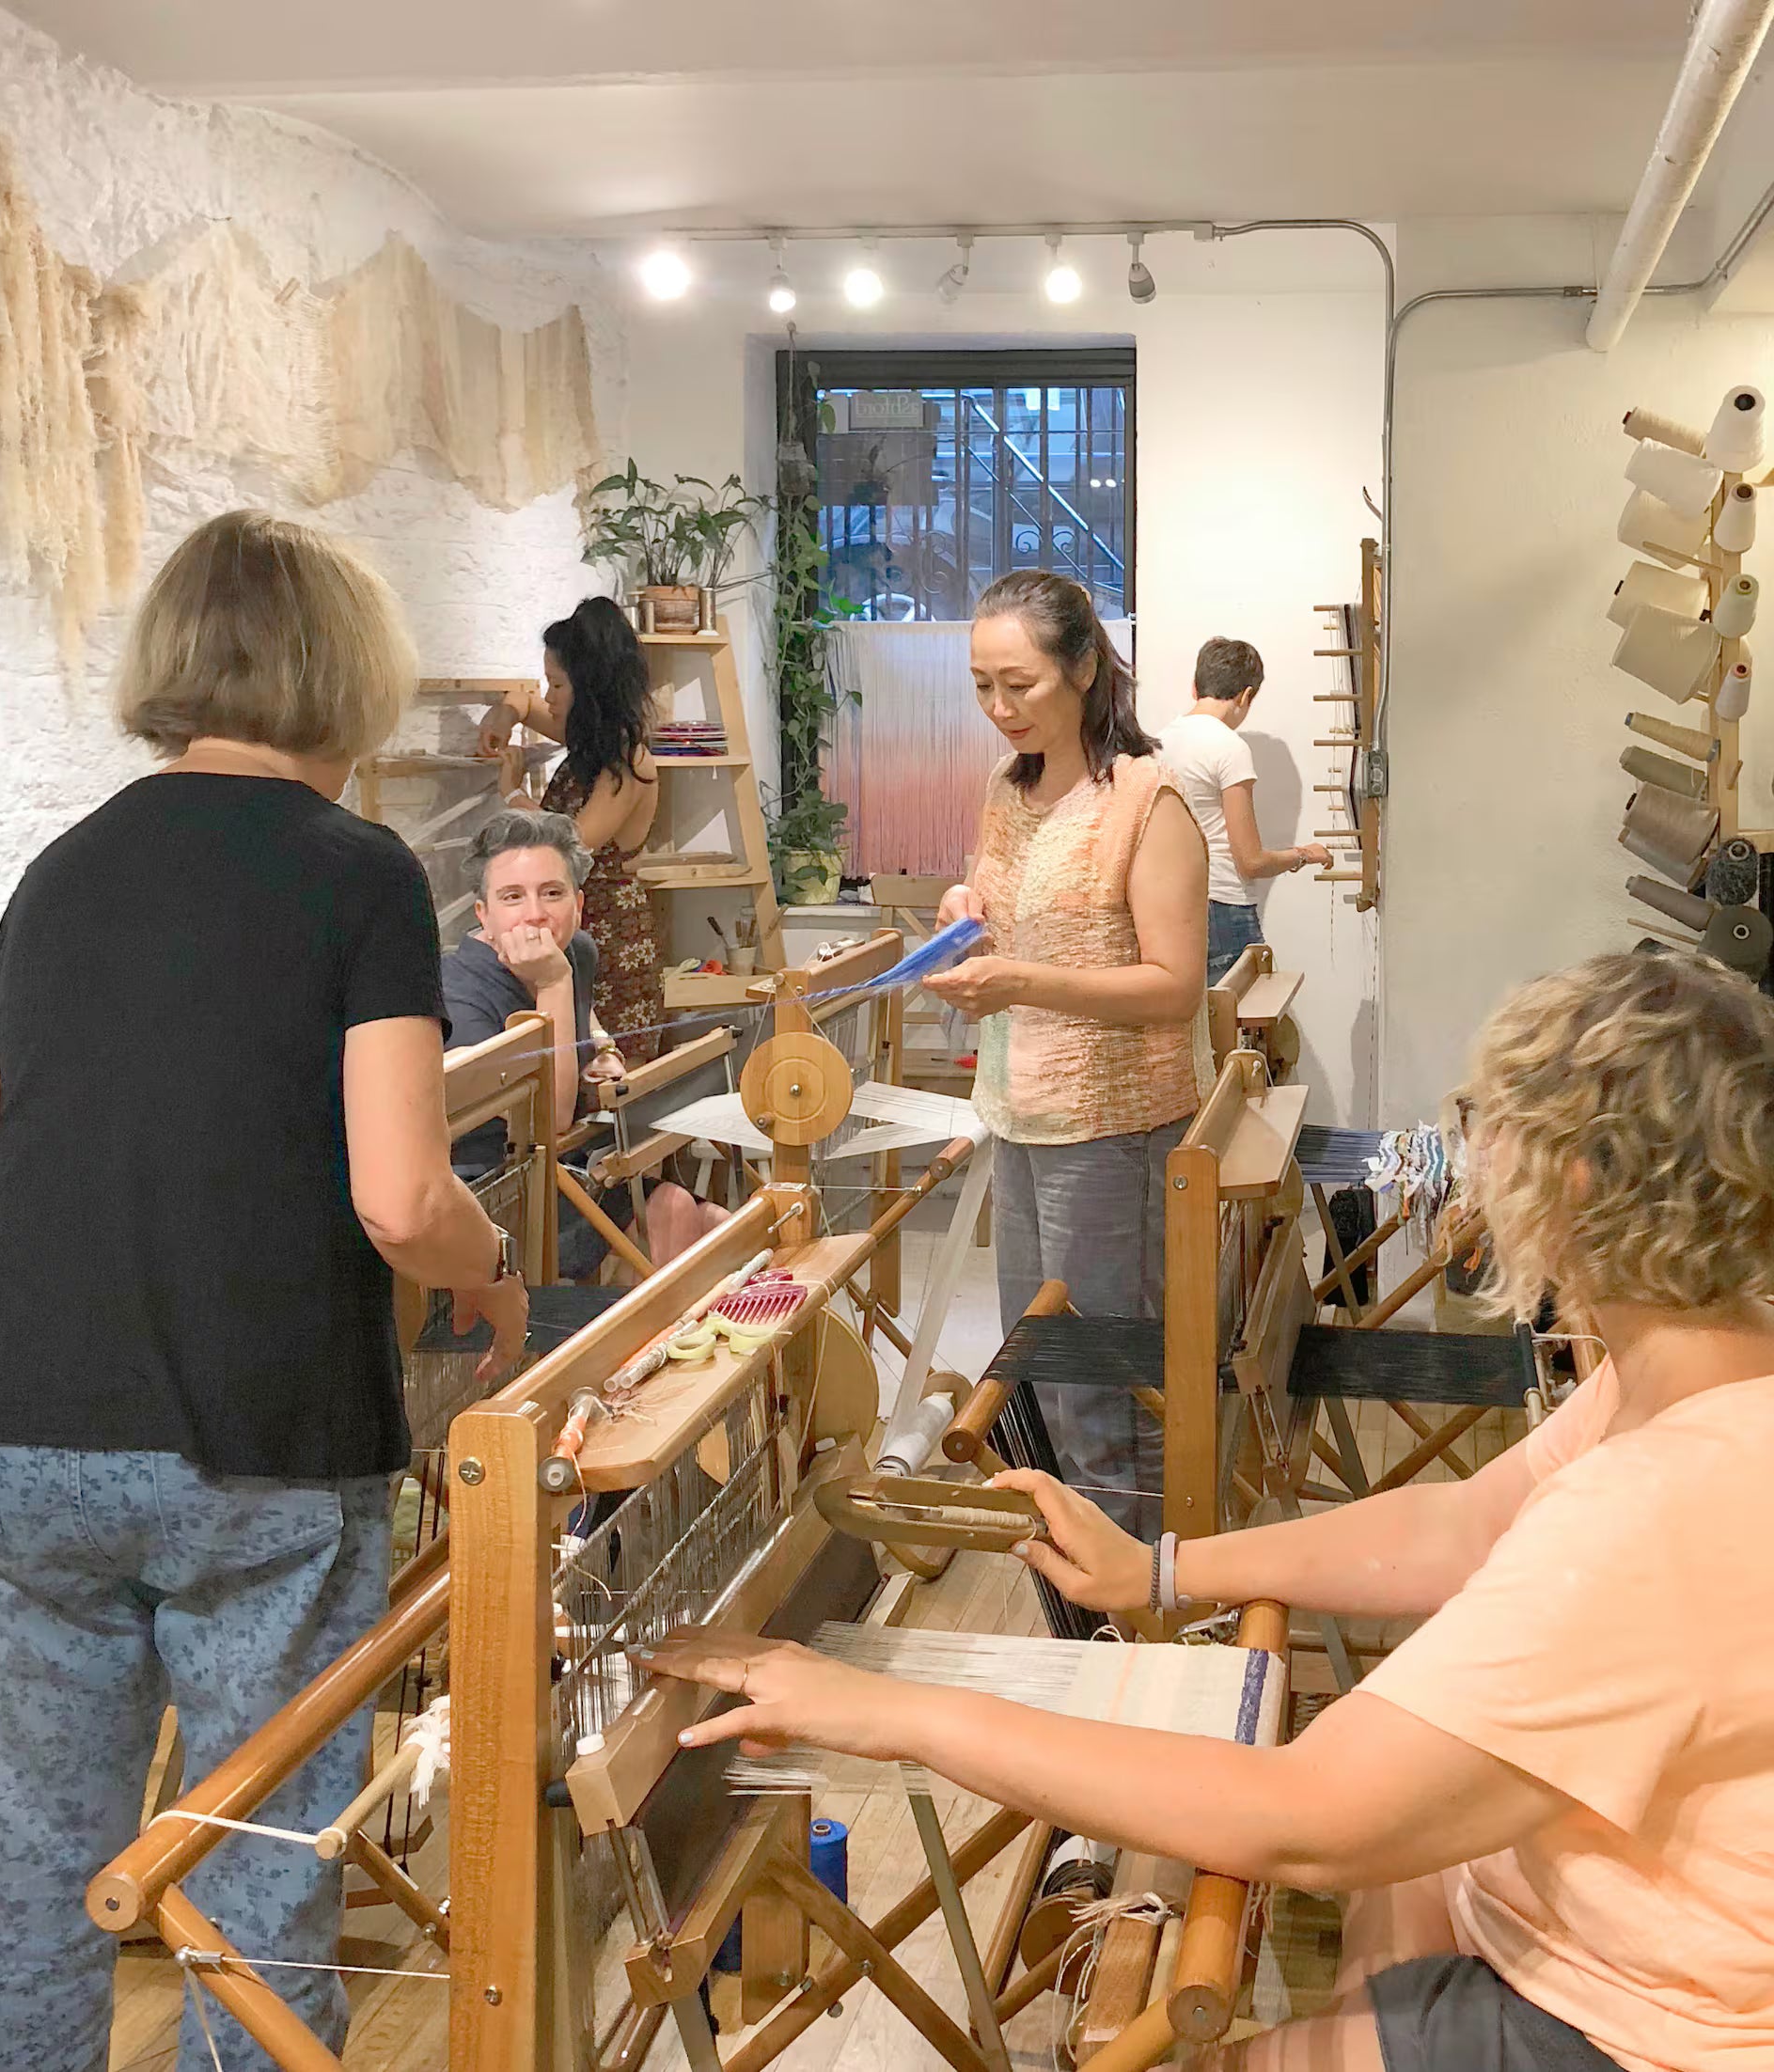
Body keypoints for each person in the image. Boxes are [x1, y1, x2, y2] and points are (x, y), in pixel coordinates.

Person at [642, 950, 1774, 2072]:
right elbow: (1465, 1528)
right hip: (1592, 1939)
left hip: (1639, 2028)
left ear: (1573, 1180)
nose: (1474, 1167)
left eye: (1491, 1130)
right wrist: (1162, 1569)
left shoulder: (1658, 1512)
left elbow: (1306, 1816)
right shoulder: (1706, 1374)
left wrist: (892, 1708)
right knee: (1395, 1874)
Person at [0, 510, 526, 2072]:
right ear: (346, 672)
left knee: (40, 1855)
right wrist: (496, 1273)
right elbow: (402, 1197)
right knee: (256, 1859)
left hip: (16, 1433)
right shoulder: (359, 875)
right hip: (255, 1442)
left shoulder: (62, 869)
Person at [921, 570, 1209, 1532]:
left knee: (1108, 1392)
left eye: (1020, 684)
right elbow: (1007, 903)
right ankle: (1078, 1575)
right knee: (1039, 1366)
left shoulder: (1146, 800)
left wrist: (1021, 982)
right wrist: (963, 911)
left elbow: (1175, 986)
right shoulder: (1008, 789)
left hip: (1114, 1127)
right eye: (982, 686)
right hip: (1020, 1110)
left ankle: (1145, 1585)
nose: (999, 708)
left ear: (1084, 668)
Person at [442, 808, 727, 1279]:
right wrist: (553, 981)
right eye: (512, 897)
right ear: (483, 914)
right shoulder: (459, 991)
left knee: (717, 1222)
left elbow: (583, 1018)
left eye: (552, 893)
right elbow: (550, 1118)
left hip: (569, 1165)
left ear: (578, 905)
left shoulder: (576, 951)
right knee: (674, 1210)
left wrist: (603, 1048)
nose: (535, 913)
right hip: (497, 1196)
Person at [479, 598, 666, 1061]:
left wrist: (512, 794)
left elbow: (571, 843)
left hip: (611, 939)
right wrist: (504, 714)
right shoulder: (591, 740)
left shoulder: (628, 760)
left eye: (558, 684)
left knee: (612, 1071)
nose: (549, 697)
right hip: (574, 933)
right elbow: (525, 704)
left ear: (591, 688)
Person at [1160, 636, 1332, 982]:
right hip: (1222, 908)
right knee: (1241, 1014)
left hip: (1165, 906)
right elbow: (1250, 861)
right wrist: (1304, 854)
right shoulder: (1228, 747)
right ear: (1245, 696)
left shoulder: (1156, 743)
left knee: (1188, 1013)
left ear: (1195, 687)